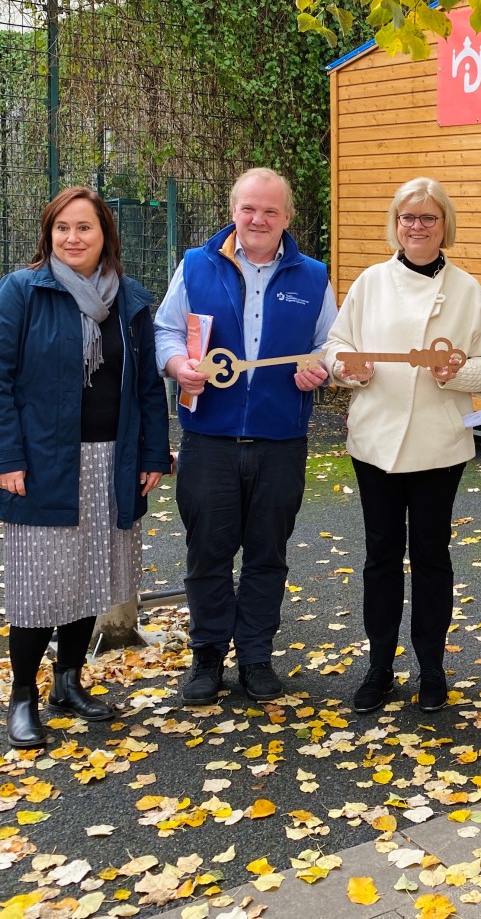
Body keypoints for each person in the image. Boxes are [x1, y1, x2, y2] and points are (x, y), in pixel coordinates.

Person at [0, 187, 171, 748]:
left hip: (112, 459)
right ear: (49, 233)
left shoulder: (130, 300)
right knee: (38, 586)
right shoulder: (22, 292)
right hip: (41, 463)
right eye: (63, 227)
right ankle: (22, 696)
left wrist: (152, 453)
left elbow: (146, 390)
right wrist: (5, 459)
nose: (73, 238)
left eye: (84, 227)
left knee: (91, 577)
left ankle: (68, 682)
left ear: (105, 233)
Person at [155, 167, 336, 705]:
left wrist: (319, 370)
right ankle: (208, 656)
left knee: (267, 554)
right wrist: (176, 364)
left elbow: (333, 345)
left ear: (287, 218)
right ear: (233, 209)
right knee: (207, 552)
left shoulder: (313, 276)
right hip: (208, 439)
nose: (258, 219)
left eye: (270, 211)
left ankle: (256, 655)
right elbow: (166, 329)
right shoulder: (195, 266)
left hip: (281, 441)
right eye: (249, 209)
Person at [324, 178, 481, 714]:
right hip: (376, 442)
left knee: (431, 557)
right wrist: (345, 368)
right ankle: (379, 666)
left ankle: (431, 666)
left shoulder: (467, 289)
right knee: (380, 557)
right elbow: (337, 345)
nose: (418, 226)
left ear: (445, 224)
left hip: (438, 445)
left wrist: (459, 371)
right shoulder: (371, 283)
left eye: (428, 217)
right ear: (395, 223)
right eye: (408, 217)